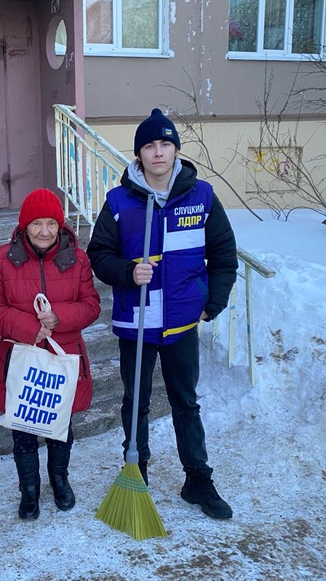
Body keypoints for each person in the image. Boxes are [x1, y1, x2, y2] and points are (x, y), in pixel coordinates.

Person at [86, 108, 238, 520]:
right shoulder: (119, 201)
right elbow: (97, 255)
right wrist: (126, 271)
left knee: (185, 402)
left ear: (175, 150)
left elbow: (224, 254)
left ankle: (198, 480)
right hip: (137, 322)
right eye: (149, 146)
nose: (158, 152)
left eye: (165, 144)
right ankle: (137, 473)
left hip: (182, 322)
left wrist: (213, 301)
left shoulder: (201, 196)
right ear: (139, 154)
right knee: (135, 402)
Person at [0, 188, 100, 520]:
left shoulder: (78, 259)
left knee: (61, 428)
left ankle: (60, 480)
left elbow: (92, 306)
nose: (45, 231)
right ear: (24, 226)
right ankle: (29, 489)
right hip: (20, 360)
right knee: (24, 431)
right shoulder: (2, 260)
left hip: (64, 360)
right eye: (37, 224)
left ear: (60, 225)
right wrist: (28, 326)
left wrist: (61, 316)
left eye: (51, 223)